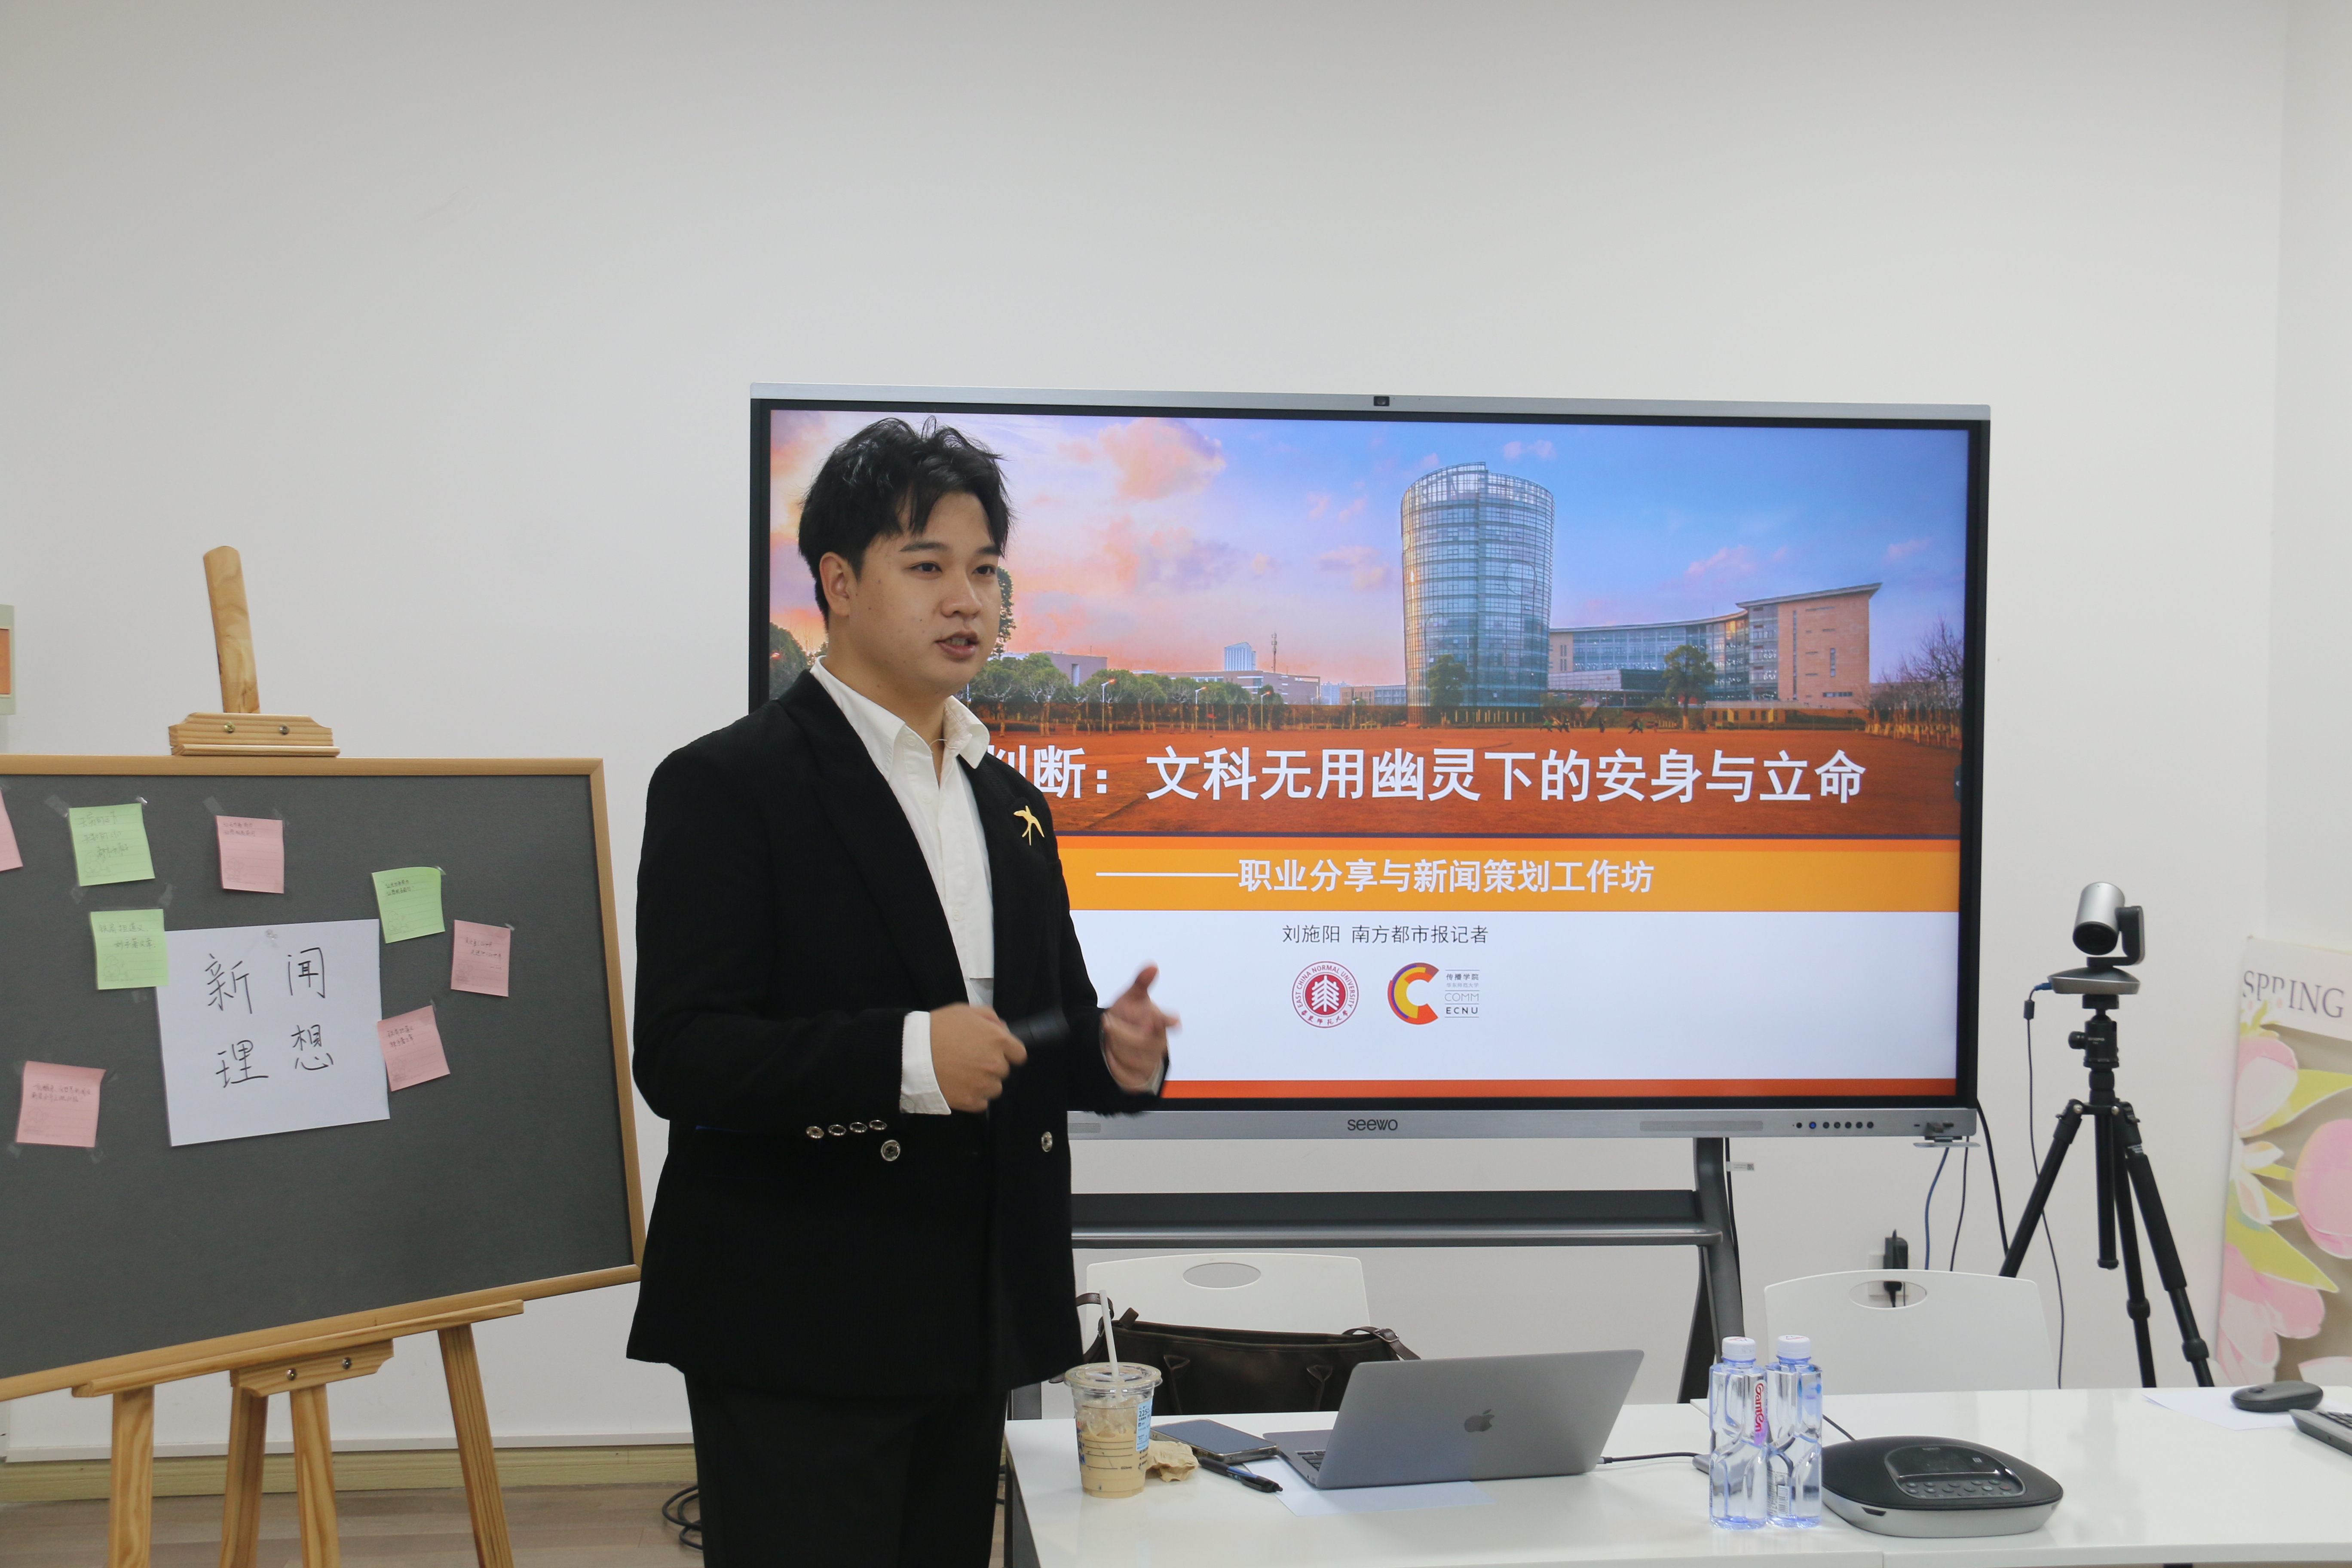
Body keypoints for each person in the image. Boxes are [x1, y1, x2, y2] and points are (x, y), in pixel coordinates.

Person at [628, 417, 1176, 1566]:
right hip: (800, 1312)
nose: (967, 601)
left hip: (974, 1308)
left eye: (986, 571)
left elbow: (1038, 1028)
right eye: (927, 567)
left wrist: (1112, 1054)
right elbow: (683, 1054)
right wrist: (909, 1057)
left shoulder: (1008, 800)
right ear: (838, 583)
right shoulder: (728, 784)